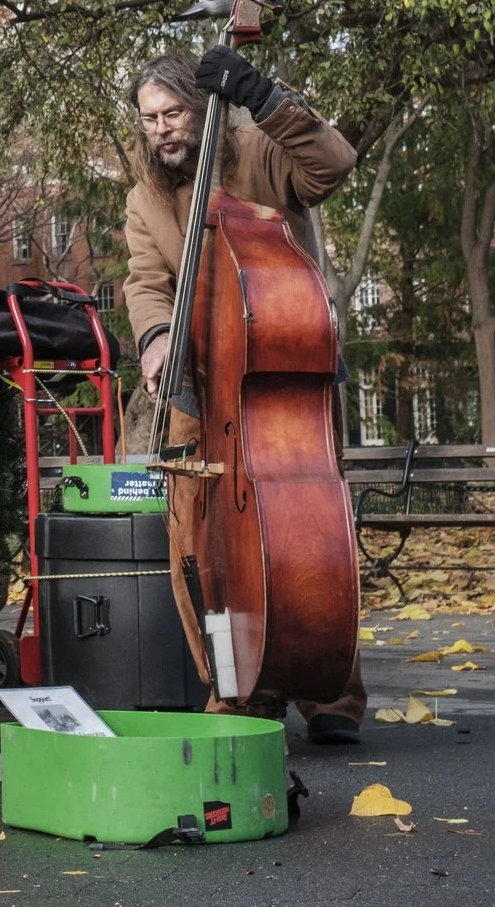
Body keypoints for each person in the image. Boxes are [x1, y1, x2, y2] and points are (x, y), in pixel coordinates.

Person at [119, 46, 367, 744]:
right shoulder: (144, 197)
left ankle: (331, 693)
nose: (162, 129)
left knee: (312, 538)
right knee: (199, 546)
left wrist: (265, 96)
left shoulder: (259, 149)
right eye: (150, 119)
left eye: (172, 113)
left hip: (286, 372)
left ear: (201, 109)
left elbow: (333, 165)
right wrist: (156, 339)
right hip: (200, 384)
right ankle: (234, 686)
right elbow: (144, 282)